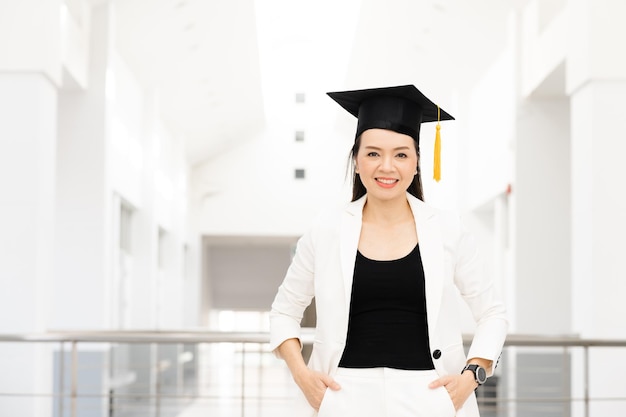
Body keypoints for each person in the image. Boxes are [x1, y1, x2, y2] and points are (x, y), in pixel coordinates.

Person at [269, 84, 508, 417]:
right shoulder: (327, 229)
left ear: (416, 163)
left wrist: (472, 377)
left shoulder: (447, 229)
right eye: (372, 153)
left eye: (400, 154)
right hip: (341, 396)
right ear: (356, 161)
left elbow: (492, 314)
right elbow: (284, 312)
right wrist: (302, 375)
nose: (386, 166)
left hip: (431, 395)